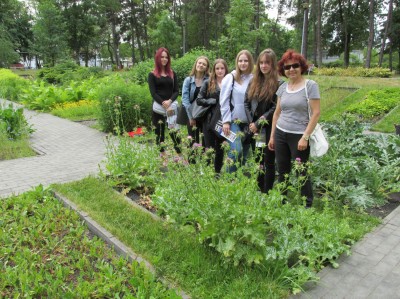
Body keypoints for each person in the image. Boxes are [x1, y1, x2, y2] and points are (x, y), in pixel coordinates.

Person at [268, 49, 321, 208]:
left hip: (299, 136)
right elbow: (277, 113)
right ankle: (281, 201)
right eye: (287, 67)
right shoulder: (283, 87)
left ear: (301, 67)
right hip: (280, 133)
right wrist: (272, 136)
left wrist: (305, 137)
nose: (291, 69)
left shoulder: (310, 86)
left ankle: (307, 205)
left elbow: (316, 113)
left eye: (295, 66)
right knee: (282, 169)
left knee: (301, 172)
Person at [245, 48, 282, 193]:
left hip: (268, 128)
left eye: (267, 63)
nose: (263, 65)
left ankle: (267, 191)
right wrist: (252, 123)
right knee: (258, 159)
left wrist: (259, 123)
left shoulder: (279, 84)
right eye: (261, 63)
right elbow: (246, 103)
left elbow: (275, 108)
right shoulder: (254, 82)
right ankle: (259, 188)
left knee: (269, 161)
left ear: (273, 64)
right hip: (256, 129)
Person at [220, 50, 254, 172]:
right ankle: (227, 178)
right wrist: (226, 121)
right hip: (233, 121)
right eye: (240, 61)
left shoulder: (253, 78)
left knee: (244, 154)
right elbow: (224, 101)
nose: (243, 63)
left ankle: (236, 182)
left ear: (250, 62)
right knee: (236, 150)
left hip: (248, 123)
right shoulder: (231, 77)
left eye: (246, 61)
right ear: (237, 62)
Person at [196, 59, 229, 173]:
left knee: (220, 147)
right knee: (209, 147)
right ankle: (207, 171)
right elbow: (199, 100)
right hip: (209, 120)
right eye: (217, 68)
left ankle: (217, 172)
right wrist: (212, 101)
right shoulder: (208, 82)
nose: (220, 71)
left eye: (222, 68)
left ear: (226, 69)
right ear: (214, 70)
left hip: (223, 120)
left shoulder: (230, 82)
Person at [148, 47, 181, 154]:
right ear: (158, 58)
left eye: (166, 57)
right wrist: (163, 103)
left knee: (174, 132)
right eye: (162, 57)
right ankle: (163, 158)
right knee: (159, 134)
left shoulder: (172, 73)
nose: (164, 59)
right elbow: (153, 93)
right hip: (158, 109)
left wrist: (169, 102)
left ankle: (180, 156)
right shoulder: (152, 74)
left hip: (171, 108)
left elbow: (176, 91)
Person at [181, 56, 210, 145]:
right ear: (196, 64)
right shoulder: (188, 80)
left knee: (206, 140)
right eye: (199, 63)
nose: (201, 65)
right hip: (191, 113)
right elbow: (185, 100)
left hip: (204, 114)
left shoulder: (209, 80)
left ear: (207, 67)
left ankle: (205, 158)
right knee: (193, 141)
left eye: (204, 64)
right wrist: (191, 117)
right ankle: (192, 159)